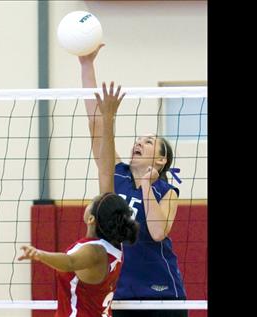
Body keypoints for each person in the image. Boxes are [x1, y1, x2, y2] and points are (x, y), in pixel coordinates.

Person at [79, 45, 187, 317]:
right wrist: (86, 64)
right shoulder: (116, 173)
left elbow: (158, 232)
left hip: (162, 295)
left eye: (149, 142)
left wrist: (147, 186)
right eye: (138, 139)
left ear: (161, 160)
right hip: (121, 293)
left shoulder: (167, 191)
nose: (139, 142)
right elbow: (96, 126)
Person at [18, 83, 139, 317]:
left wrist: (39, 254)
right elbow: (106, 170)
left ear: (92, 218)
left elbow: (69, 262)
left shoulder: (95, 251)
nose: (92, 199)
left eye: (92, 201)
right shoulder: (112, 244)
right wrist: (108, 118)